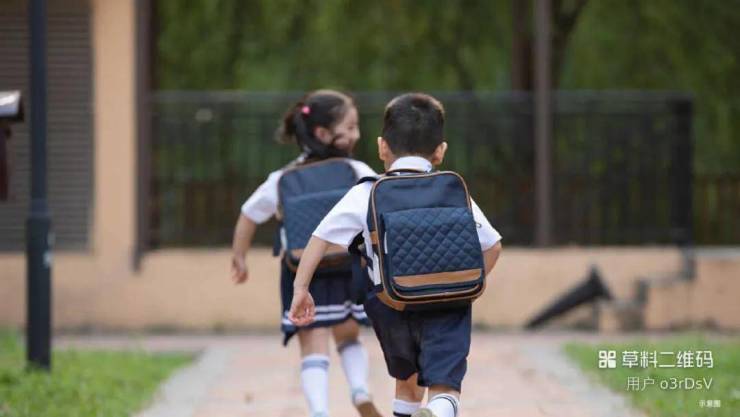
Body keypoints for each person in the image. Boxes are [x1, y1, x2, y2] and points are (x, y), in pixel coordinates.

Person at [289, 93, 503, 417]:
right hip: (448, 306)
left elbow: (320, 237)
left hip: (391, 306)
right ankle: (437, 411)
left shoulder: (366, 192)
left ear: (382, 147)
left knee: (406, 381)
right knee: (445, 386)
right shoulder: (452, 189)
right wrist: (464, 286)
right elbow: (492, 246)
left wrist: (301, 288)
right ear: (440, 151)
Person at [231, 90, 383, 417]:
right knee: (348, 335)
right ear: (323, 133)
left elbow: (248, 214)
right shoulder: (355, 169)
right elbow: (382, 203)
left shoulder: (282, 179)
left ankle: (319, 412)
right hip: (349, 267)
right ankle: (360, 390)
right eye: (350, 127)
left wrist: (239, 257)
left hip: (303, 274)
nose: (357, 134)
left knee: (312, 344)